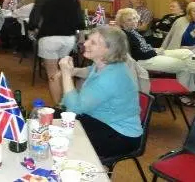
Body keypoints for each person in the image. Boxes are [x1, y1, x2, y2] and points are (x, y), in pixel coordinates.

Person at [58, 26, 142, 160]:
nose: (85, 43)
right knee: (53, 120)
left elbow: (74, 108)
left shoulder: (110, 77)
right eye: (88, 40)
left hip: (120, 135)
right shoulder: (107, 65)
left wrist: (66, 74)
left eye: (93, 42)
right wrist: (75, 71)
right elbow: (91, 70)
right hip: (102, 120)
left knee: (60, 137)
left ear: (109, 50)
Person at [116, 8, 195, 105]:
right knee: (185, 65)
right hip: (144, 60)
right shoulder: (125, 34)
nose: (133, 21)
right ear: (122, 23)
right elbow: (138, 55)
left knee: (186, 52)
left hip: (150, 53)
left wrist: (155, 49)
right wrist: (155, 52)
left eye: (134, 18)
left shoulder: (133, 31)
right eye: (129, 20)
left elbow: (143, 47)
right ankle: (185, 93)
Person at [29, 0, 85, 104]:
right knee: (64, 71)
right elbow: (79, 20)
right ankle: (68, 103)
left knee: (53, 75)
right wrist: (81, 37)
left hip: (48, 39)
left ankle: (58, 106)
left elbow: (34, 19)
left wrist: (33, 29)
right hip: (68, 39)